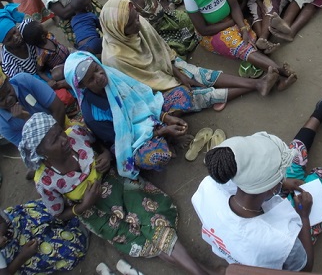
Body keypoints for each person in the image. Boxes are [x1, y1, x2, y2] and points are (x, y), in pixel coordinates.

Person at [193, 93, 322, 270]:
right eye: (279, 178)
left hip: (256, 212)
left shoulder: (210, 185)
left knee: (293, 159)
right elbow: (305, 268)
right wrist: (304, 216)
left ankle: (320, 111)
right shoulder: (281, 240)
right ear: (271, 188)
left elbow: (249, 184)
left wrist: (282, 183)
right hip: (287, 227)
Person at [19, 114, 208, 275]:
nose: (63, 139)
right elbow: (59, 214)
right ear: (41, 154)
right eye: (54, 140)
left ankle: (203, 272)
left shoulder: (76, 134)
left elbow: (100, 143)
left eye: (59, 131)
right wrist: (84, 205)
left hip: (114, 183)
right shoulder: (45, 181)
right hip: (94, 212)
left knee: (150, 220)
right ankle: (205, 271)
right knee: (139, 236)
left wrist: (106, 156)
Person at [101, 0, 278, 114]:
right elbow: (140, 91)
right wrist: (175, 85)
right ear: (118, 29)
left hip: (167, 66)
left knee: (199, 74)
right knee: (193, 97)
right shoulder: (114, 59)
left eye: (136, 17)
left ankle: (258, 84)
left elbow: (162, 52)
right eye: (131, 23)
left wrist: (179, 74)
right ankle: (256, 85)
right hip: (153, 95)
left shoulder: (138, 21)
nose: (138, 23)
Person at [63, 52, 192, 174]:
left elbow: (143, 100)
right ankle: (167, 138)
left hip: (149, 119)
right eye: (91, 79)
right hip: (133, 140)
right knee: (154, 156)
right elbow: (122, 140)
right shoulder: (92, 114)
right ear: (82, 86)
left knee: (182, 93)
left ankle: (168, 136)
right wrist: (162, 131)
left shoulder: (113, 77)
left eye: (97, 69)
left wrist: (165, 117)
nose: (99, 77)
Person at [183, 0, 297, 89]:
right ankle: (281, 71)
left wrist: (242, 28)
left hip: (230, 21)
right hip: (212, 34)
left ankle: (276, 80)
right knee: (241, 46)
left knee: (250, 40)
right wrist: (233, 22)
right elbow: (203, 30)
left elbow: (234, 5)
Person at [0, 197, 87, 273]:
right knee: (73, 246)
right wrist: (23, 255)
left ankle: (62, 222)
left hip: (17, 224)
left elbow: (2, 222)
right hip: (17, 258)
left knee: (55, 206)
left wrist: (1, 233)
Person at [0, 67, 65, 147]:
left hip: (61, 127)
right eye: (1, 99)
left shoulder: (24, 80)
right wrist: (28, 119)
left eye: (9, 91)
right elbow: (28, 148)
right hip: (46, 151)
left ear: (8, 80)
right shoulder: (1, 123)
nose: (9, 99)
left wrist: (59, 138)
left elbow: (58, 108)